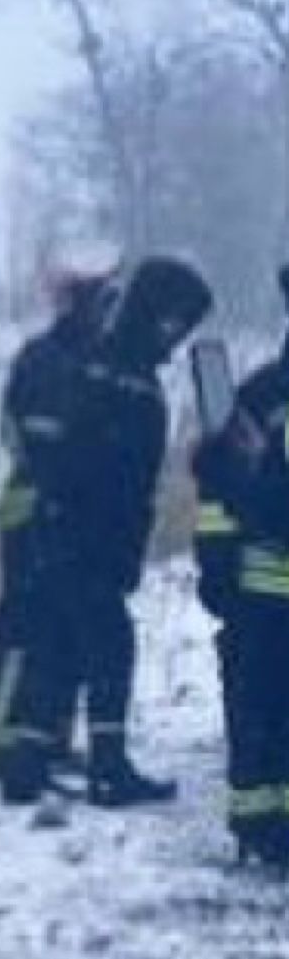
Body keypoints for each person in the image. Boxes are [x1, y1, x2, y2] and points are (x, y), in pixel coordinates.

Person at [0, 254, 208, 805]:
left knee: (54, 641)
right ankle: (105, 765)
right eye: (178, 325)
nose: (178, 340)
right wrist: (114, 547)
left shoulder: (91, 366)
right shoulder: (124, 380)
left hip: (58, 529)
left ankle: (25, 759)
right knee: (106, 645)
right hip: (85, 537)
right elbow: (121, 479)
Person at [199, 337, 289, 867]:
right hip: (260, 601)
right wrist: (216, 569)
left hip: (260, 602)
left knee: (262, 716)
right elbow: (218, 494)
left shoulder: (260, 397)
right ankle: (261, 826)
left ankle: (264, 828)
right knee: (261, 717)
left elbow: (226, 491)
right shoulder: (260, 397)